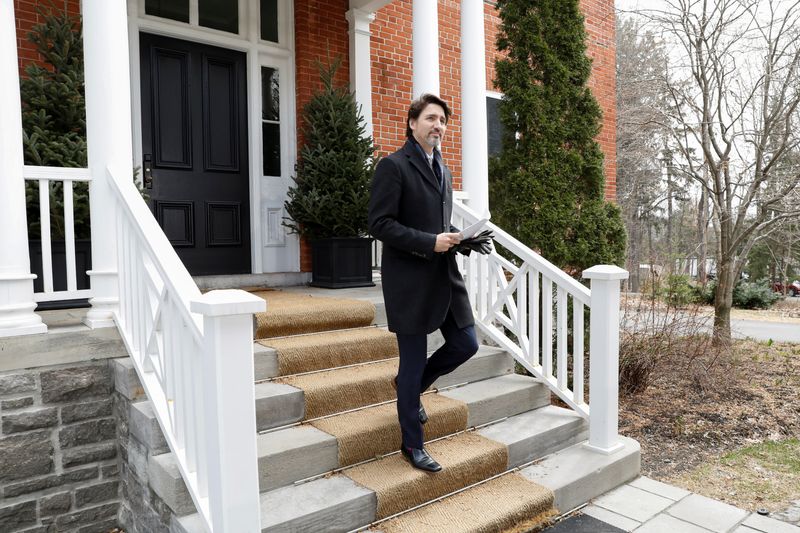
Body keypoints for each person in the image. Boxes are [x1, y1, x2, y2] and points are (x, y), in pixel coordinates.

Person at [368, 94, 480, 473]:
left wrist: (460, 238)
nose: (439, 126)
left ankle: (409, 387)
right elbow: (380, 224)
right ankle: (412, 445)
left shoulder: (443, 169)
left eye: (443, 121)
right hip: (409, 282)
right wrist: (429, 242)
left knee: (467, 343)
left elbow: (435, 222)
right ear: (412, 122)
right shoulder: (393, 166)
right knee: (413, 361)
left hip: (444, 275)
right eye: (432, 118)